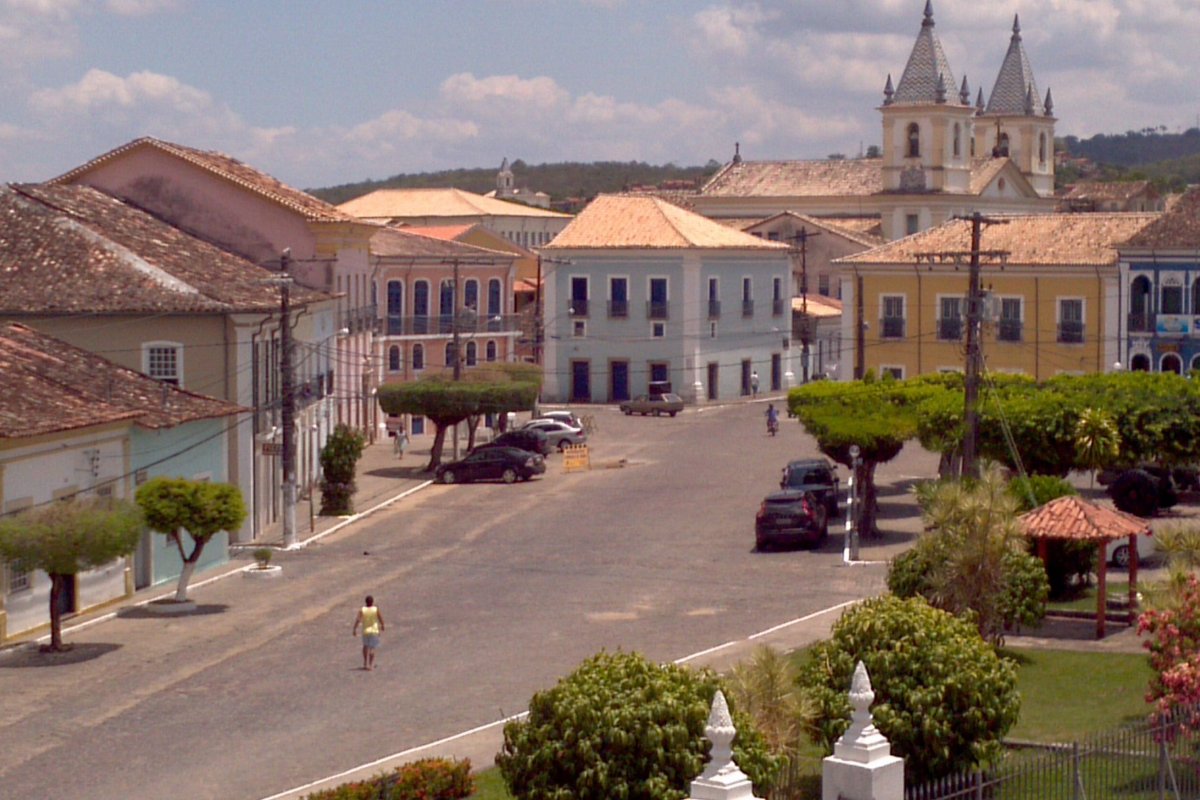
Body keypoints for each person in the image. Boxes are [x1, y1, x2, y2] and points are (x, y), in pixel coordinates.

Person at [352, 595, 385, 671]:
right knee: (372, 648)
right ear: (372, 602)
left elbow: (358, 619)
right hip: (374, 631)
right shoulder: (375, 609)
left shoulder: (363, 609)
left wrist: (354, 628)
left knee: (365, 646)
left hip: (365, 631)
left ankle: (365, 663)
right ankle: (370, 664)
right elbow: (380, 618)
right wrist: (382, 625)